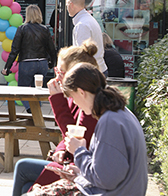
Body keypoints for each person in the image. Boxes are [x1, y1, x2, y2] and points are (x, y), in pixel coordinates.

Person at [27, 63, 148, 196]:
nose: (74, 102)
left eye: (72, 97)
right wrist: (79, 173)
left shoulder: (109, 121)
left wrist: (79, 151)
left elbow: (106, 180)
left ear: (81, 92)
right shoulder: (118, 113)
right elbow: (107, 170)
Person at [12, 41, 99, 196]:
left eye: (60, 72)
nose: (57, 75)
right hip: (74, 163)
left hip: (81, 170)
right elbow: (70, 138)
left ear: (74, 75)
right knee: (27, 185)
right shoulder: (79, 95)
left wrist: (58, 99)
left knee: (23, 168)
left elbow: (75, 135)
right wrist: (59, 150)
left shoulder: (87, 100)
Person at [1, 4, 57, 112]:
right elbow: (51, 49)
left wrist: (7, 68)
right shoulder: (44, 29)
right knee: (38, 89)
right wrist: (52, 63)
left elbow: (14, 50)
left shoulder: (22, 28)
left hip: (27, 63)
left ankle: (30, 109)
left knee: (23, 89)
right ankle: (36, 110)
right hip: (42, 63)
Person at [66, 0, 107, 75]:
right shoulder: (88, 20)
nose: (67, 8)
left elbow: (82, 54)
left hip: (91, 71)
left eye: (67, 5)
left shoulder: (82, 25)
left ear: (71, 5)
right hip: (97, 68)